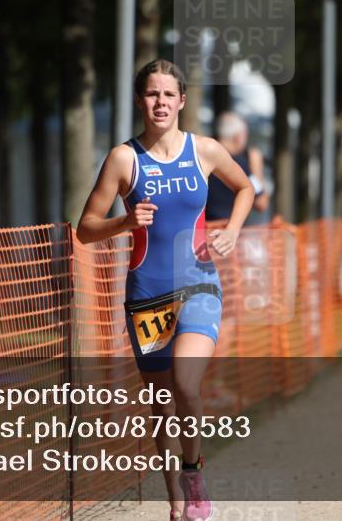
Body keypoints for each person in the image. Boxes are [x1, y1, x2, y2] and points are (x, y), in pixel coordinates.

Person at [77, 59, 254, 521]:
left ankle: (193, 474)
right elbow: (85, 228)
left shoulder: (205, 150)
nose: (160, 102)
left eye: (168, 94)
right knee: (160, 402)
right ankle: (177, 499)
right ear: (140, 101)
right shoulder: (123, 159)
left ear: (182, 101)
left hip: (198, 283)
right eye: (152, 94)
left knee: (186, 385)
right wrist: (124, 220)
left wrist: (232, 231)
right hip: (147, 293)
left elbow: (245, 189)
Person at [205, 111, 269, 221]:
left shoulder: (203, 156)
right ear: (238, 136)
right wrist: (255, 168)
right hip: (233, 232)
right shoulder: (241, 163)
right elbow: (261, 203)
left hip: (203, 230)